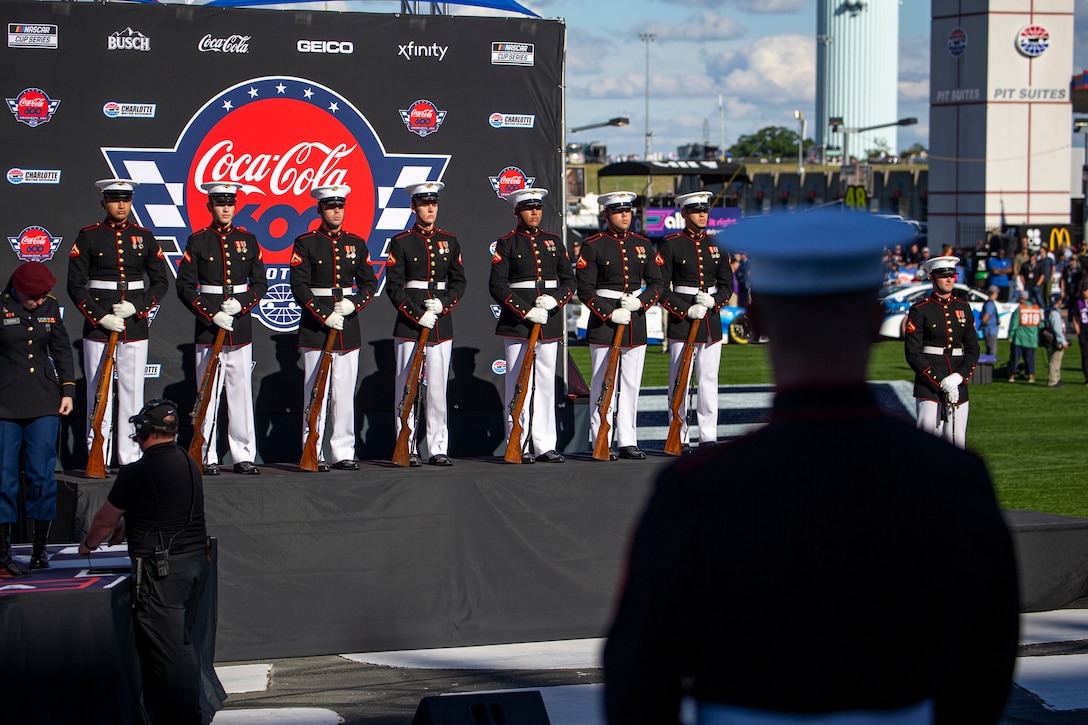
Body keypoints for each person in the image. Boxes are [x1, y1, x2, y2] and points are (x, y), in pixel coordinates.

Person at [604, 212, 1019, 725]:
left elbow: (639, 677)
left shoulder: (700, 487)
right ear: (873, 325)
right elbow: (987, 665)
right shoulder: (951, 478)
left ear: (756, 325)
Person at [78, 399, 215, 725]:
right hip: (194, 565)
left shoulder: (138, 471)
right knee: (182, 648)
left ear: (144, 431)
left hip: (162, 574)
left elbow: (103, 523)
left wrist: (86, 546)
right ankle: (190, 716)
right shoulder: (188, 460)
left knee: (166, 658)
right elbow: (166, 507)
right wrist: (133, 522)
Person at [68, 179, 170, 468]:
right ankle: (96, 453)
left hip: (134, 326)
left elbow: (160, 282)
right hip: (99, 326)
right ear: (104, 203)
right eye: (115, 200)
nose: (121, 205)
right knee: (98, 392)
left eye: (126, 199)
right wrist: (101, 317)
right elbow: (76, 285)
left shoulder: (145, 237)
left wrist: (136, 307)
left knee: (132, 391)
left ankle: (129, 457)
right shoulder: (88, 236)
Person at [177, 182, 268, 475]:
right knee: (208, 393)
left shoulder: (248, 239)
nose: (226, 208)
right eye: (220, 203)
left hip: (239, 326)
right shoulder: (198, 241)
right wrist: (211, 313)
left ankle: (243, 454)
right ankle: (206, 453)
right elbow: (185, 286)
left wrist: (241, 304)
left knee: (240, 393)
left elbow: (260, 284)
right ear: (210, 207)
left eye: (230, 203)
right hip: (209, 328)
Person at [290, 184, 379, 471]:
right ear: (319, 209)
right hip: (317, 328)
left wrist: (354, 304)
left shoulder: (356, 242)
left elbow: (369, 282)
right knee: (315, 392)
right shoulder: (305, 242)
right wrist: (323, 314)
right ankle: (312, 449)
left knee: (343, 394)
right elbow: (299, 286)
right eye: (330, 206)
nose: (336, 211)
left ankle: (343, 451)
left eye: (340, 206)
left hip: (348, 327)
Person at [488, 188, 575, 463]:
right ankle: (519, 441)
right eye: (528, 208)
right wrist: (526, 312)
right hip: (517, 322)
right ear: (517, 212)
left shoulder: (553, 241)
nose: (535, 212)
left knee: (546, 384)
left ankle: (545, 444)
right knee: (518, 383)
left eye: (538, 207)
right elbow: (497, 285)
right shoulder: (507, 244)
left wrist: (555, 302)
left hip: (547, 321)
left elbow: (569, 281)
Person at [575, 191, 663, 460]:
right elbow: (585, 288)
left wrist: (641, 303)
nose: (625, 215)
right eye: (618, 211)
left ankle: (627, 439)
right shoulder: (593, 245)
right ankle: (600, 437)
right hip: (606, 322)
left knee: (631, 384)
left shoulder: (643, 244)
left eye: (628, 211)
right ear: (607, 215)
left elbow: (658, 283)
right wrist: (609, 314)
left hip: (634, 319)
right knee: (603, 383)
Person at [0, 263, 75, 576]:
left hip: (45, 400)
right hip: (5, 401)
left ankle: (40, 547)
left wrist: (67, 390)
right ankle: (3, 549)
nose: (38, 301)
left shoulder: (51, 306)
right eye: (33, 297)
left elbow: (61, 350)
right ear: (18, 290)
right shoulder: (2, 307)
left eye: (42, 296)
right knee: (4, 475)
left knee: (42, 474)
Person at [386, 181, 466, 466]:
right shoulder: (401, 241)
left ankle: (437, 446)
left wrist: (443, 304)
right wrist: (416, 313)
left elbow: (459, 282)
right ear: (413, 207)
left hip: (441, 323)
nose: (430, 208)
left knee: (437, 389)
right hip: (410, 323)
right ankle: (405, 445)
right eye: (424, 204)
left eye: (433, 203)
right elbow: (394, 287)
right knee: (406, 387)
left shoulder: (450, 240)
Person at [658, 191, 734, 451]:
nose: (702, 215)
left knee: (709, 381)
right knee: (680, 381)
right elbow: (661, 288)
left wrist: (715, 302)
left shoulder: (717, 244)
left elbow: (727, 284)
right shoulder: (671, 244)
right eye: (696, 211)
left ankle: (708, 435)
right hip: (683, 321)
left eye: (704, 210)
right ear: (684, 214)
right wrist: (684, 310)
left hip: (710, 321)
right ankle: (678, 435)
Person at [904, 256, 979, 448]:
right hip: (929, 382)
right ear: (932, 278)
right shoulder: (920, 310)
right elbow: (913, 353)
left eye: (952, 275)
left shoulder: (963, 307)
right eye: (944, 275)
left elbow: (973, 348)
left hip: (957, 376)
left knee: (957, 440)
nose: (949, 279)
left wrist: (959, 377)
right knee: (927, 441)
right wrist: (940, 381)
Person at [1006, 290, 1040, 384]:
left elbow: (1014, 323)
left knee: (1015, 358)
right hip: (1032, 338)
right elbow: (1040, 324)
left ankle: (1012, 376)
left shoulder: (1020, 309)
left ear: (1022, 299)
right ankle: (1031, 376)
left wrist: (1011, 335)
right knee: (1030, 359)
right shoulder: (1036, 308)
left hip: (1020, 338)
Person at [1044, 302, 1069, 387]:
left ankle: (1057, 378)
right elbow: (1057, 329)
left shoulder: (1049, 313)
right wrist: (1063, 341)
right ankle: (1053, 381)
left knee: (1056, 360)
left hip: (1052, 340)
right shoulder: (1054, 314)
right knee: (1055, 361)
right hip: (1056, 341)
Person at [979, 285, 1000, 360]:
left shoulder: (988, 303)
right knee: (992, 351)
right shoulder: (990, 304)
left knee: (990, 350)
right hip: (990, 331)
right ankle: (989, 369)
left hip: (990, 330)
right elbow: (986, 317)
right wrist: (982, 325)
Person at [1074, 283, 1088, 386]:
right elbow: (1075, 318)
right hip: (1083, 331)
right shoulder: (1078, 303)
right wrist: (1078, 331)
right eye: (1083, 290)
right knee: (1085, 356)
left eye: (1086, 290)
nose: (1084, 292)